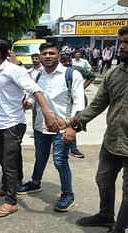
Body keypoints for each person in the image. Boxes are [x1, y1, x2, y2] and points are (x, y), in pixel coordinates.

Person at [0, 39, 58, 217]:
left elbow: (35, 89)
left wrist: (47, 114)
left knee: (9, 164)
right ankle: (6, 187)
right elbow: (5, 93)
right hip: (0, 122)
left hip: (14, 124)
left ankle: (11, 202)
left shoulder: (14, 70)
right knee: (0, 157)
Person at [64, 26, 128, 233]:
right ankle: (106, 215)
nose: (123, 47)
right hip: (112, 140)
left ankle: (119, 228)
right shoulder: (114, 74)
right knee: (103, 179)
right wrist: (74, 122)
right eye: (122, 42)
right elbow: (97, 104)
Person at [17, 42, 85, 212]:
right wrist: (28, 103)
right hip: (41, 126)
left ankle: (67, 194)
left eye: (51, 53)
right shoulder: (37, 75)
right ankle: (35, 183)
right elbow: (35, 96)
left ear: (59, 56)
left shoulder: (71, 74)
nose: (47, 56)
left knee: (60, 161)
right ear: (39, 57)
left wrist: (72, 127)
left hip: (63, 127)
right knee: (40, 157)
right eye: (44, 54)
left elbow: (79, 103)